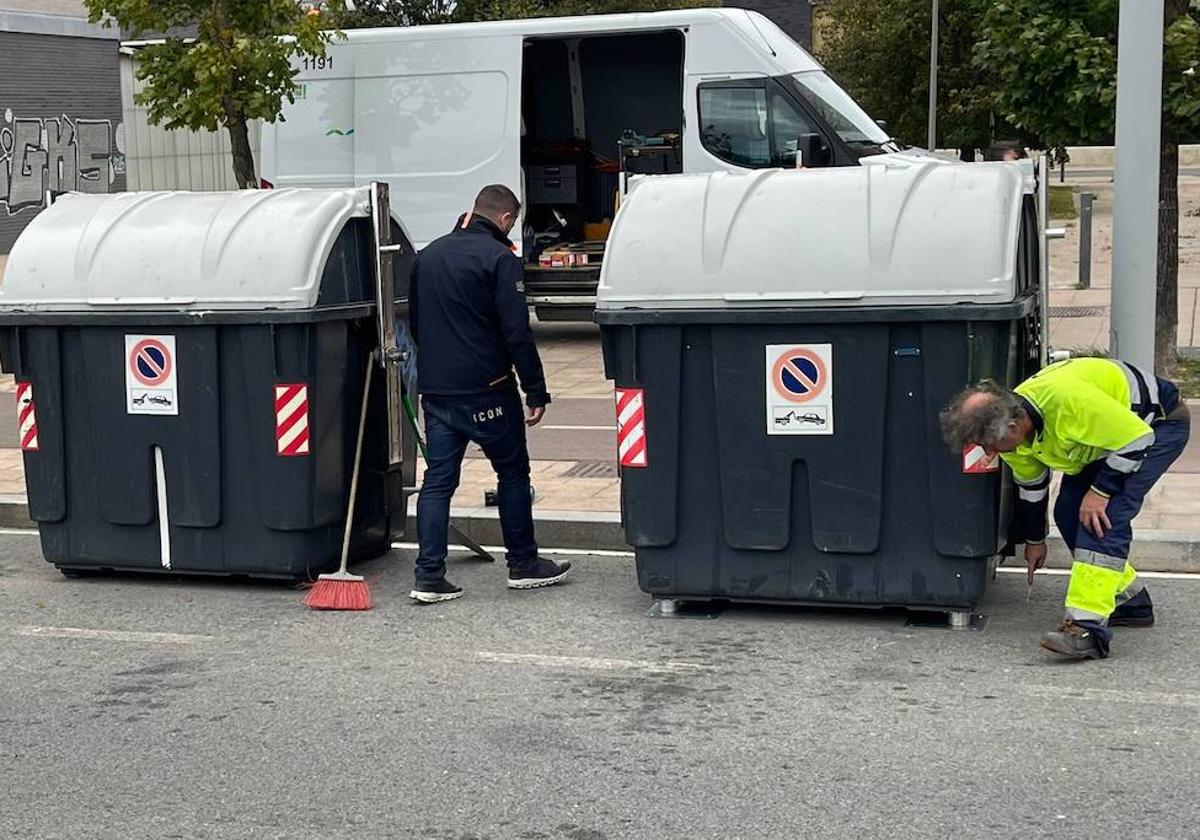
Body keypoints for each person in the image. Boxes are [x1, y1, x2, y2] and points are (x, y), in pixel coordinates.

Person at [940, 357, 1191, 660]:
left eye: (991, 444)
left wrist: (1100, 491)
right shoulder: (1014, 435)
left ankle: (1087, 630)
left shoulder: (1068, 403)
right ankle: (1130, 602)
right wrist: (1035, 540)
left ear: (1013, 426)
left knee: (1102, 518)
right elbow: (1032, 487)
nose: (989, 452)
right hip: (1107, 441)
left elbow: (1136, 440)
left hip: (1157, 425)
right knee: (1068, 513)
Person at [407, 184, 570, 604]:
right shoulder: (501, 259)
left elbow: (416, 323)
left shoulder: (428, 256)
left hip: (437, 391)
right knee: (512, 474)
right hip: (488, 391)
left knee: (438, 482)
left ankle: (428, 576)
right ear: (505, 220)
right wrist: (536, 390)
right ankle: (523, 563)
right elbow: (516, 333)